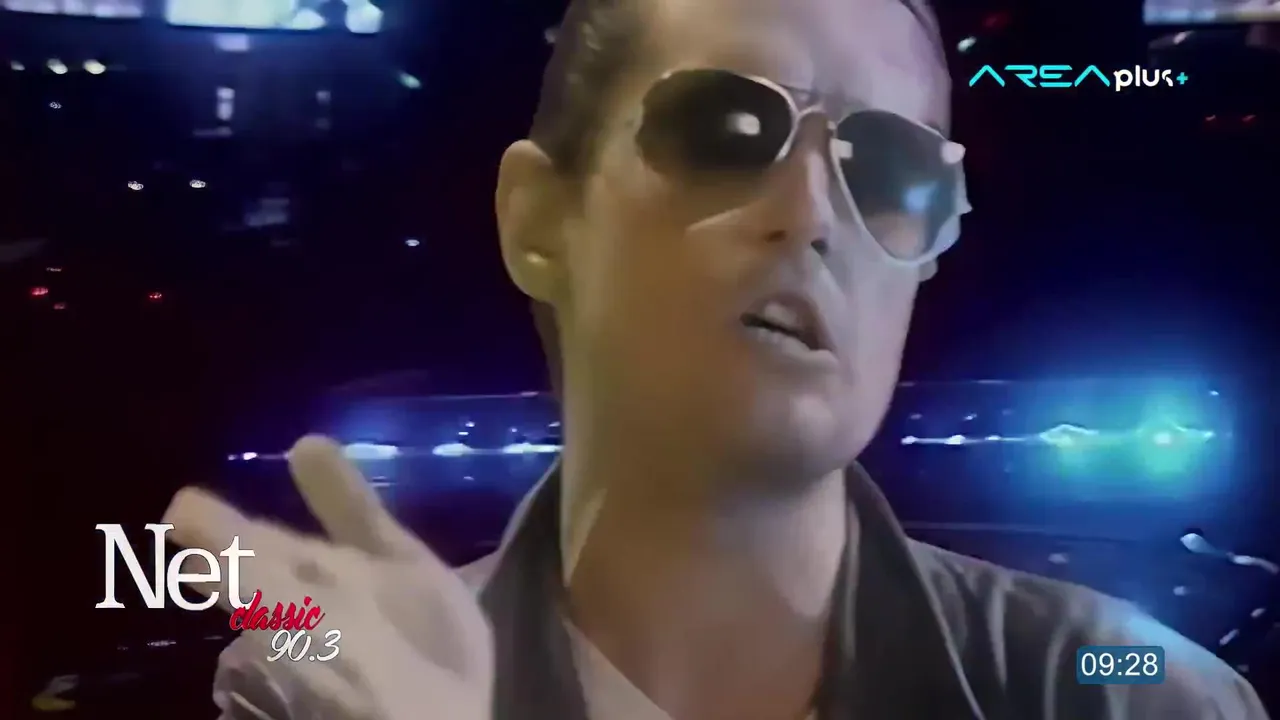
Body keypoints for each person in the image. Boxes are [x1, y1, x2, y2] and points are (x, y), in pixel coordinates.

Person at [163, 0, 1270, 717]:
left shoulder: (1124, 697)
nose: (811, 213)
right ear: (539, 220)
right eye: (726, 132)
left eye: (887, 170)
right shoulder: (327, 697)